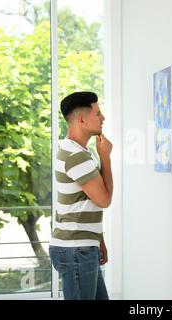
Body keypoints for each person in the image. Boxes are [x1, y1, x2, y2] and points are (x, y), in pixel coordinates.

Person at [49, 91, 113, 300]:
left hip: (82, 247)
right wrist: (106, 157)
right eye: (98, 113)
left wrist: (98, 240)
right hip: (76, 250)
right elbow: (103, 199)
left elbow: (83, 203)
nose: (102, 118)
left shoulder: (77, 151)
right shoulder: (76, 156)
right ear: (82, 119)